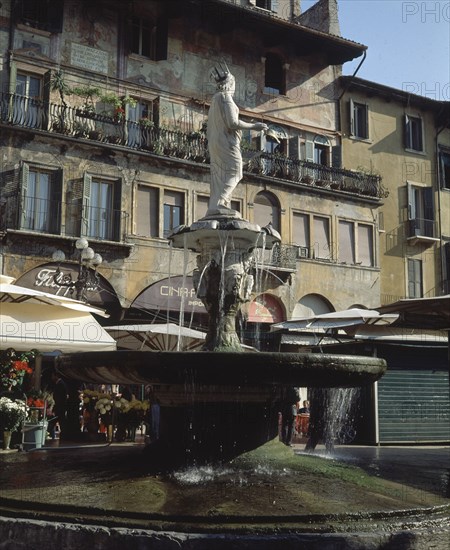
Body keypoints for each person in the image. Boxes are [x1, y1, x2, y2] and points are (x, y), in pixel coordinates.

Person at [207, 61, 268, 215]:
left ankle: (217, 204)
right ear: (231, 83)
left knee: (220, 173)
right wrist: (255, 126)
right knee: (236, 171)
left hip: (216, 142)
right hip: (227, 142)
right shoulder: (226, 97)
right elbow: (232, 123)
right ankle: (221, 201)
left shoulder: (215, 99)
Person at [49, 370, 68, 440]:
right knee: (61, 423)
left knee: (54, 422)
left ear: (56, 376)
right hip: (60, 408)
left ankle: (51, 435)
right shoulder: (60, 384)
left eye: (53, 376)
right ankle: (56, 436)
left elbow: (59, 398)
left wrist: (55, 408)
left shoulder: (61, 384)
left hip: (59, 408)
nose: (52, 377)